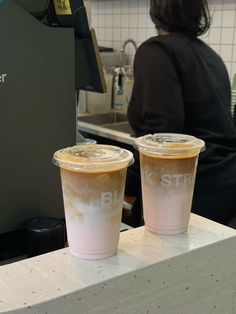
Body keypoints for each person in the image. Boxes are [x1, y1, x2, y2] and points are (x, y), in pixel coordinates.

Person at [124, 0, 236, 227]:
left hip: (187, 193)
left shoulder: (156, 50)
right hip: (226, 188)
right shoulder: (211, 56)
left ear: (155, 9)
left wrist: (127, 189)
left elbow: (161, 136)